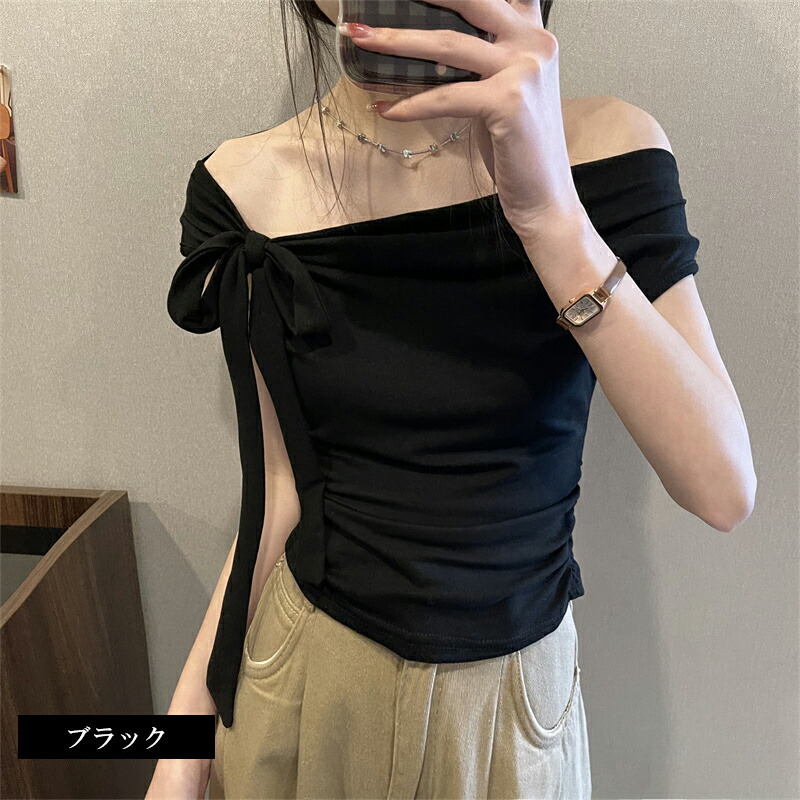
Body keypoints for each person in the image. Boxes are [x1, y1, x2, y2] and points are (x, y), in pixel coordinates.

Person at [149, 0, 756, 798]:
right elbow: (277, 490)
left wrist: (550, 216)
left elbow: (721, 488)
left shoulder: (608, 149)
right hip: (306, 683)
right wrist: (178, 752)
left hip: (514, 709)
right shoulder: (243, 188)